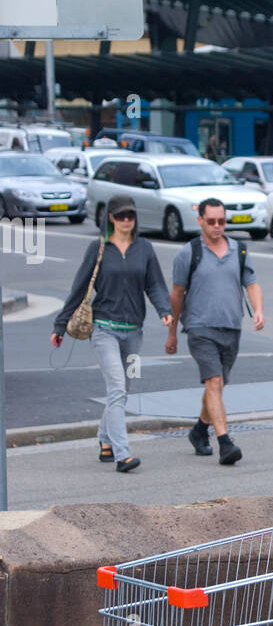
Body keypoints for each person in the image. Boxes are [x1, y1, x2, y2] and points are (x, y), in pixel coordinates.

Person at [51, 194, 172, 472]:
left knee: (122, 390)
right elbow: (80, 288)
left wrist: (164, 309)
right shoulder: (98, 248)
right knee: (117, 388)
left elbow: (154, 285)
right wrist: (60, 325)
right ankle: (122, 455)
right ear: (111, 218)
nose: (126, 220)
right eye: (121, 216)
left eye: (130, 215)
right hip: (104, 329)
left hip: (134, 332)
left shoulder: (144, 248)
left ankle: (105, 440)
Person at [165, 197, 265, 465]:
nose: (217, 226)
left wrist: (258, 310)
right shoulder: (189, 252)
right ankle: (225, 443)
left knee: (217, 388)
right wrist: (172, 331)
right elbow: (176, 294)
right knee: (215, 383)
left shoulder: (239, 250)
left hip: (231, 327)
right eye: (211, 221)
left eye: (222, 221)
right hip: (199, 327)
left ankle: (199, 431)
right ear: (200, 221)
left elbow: (252, 284)